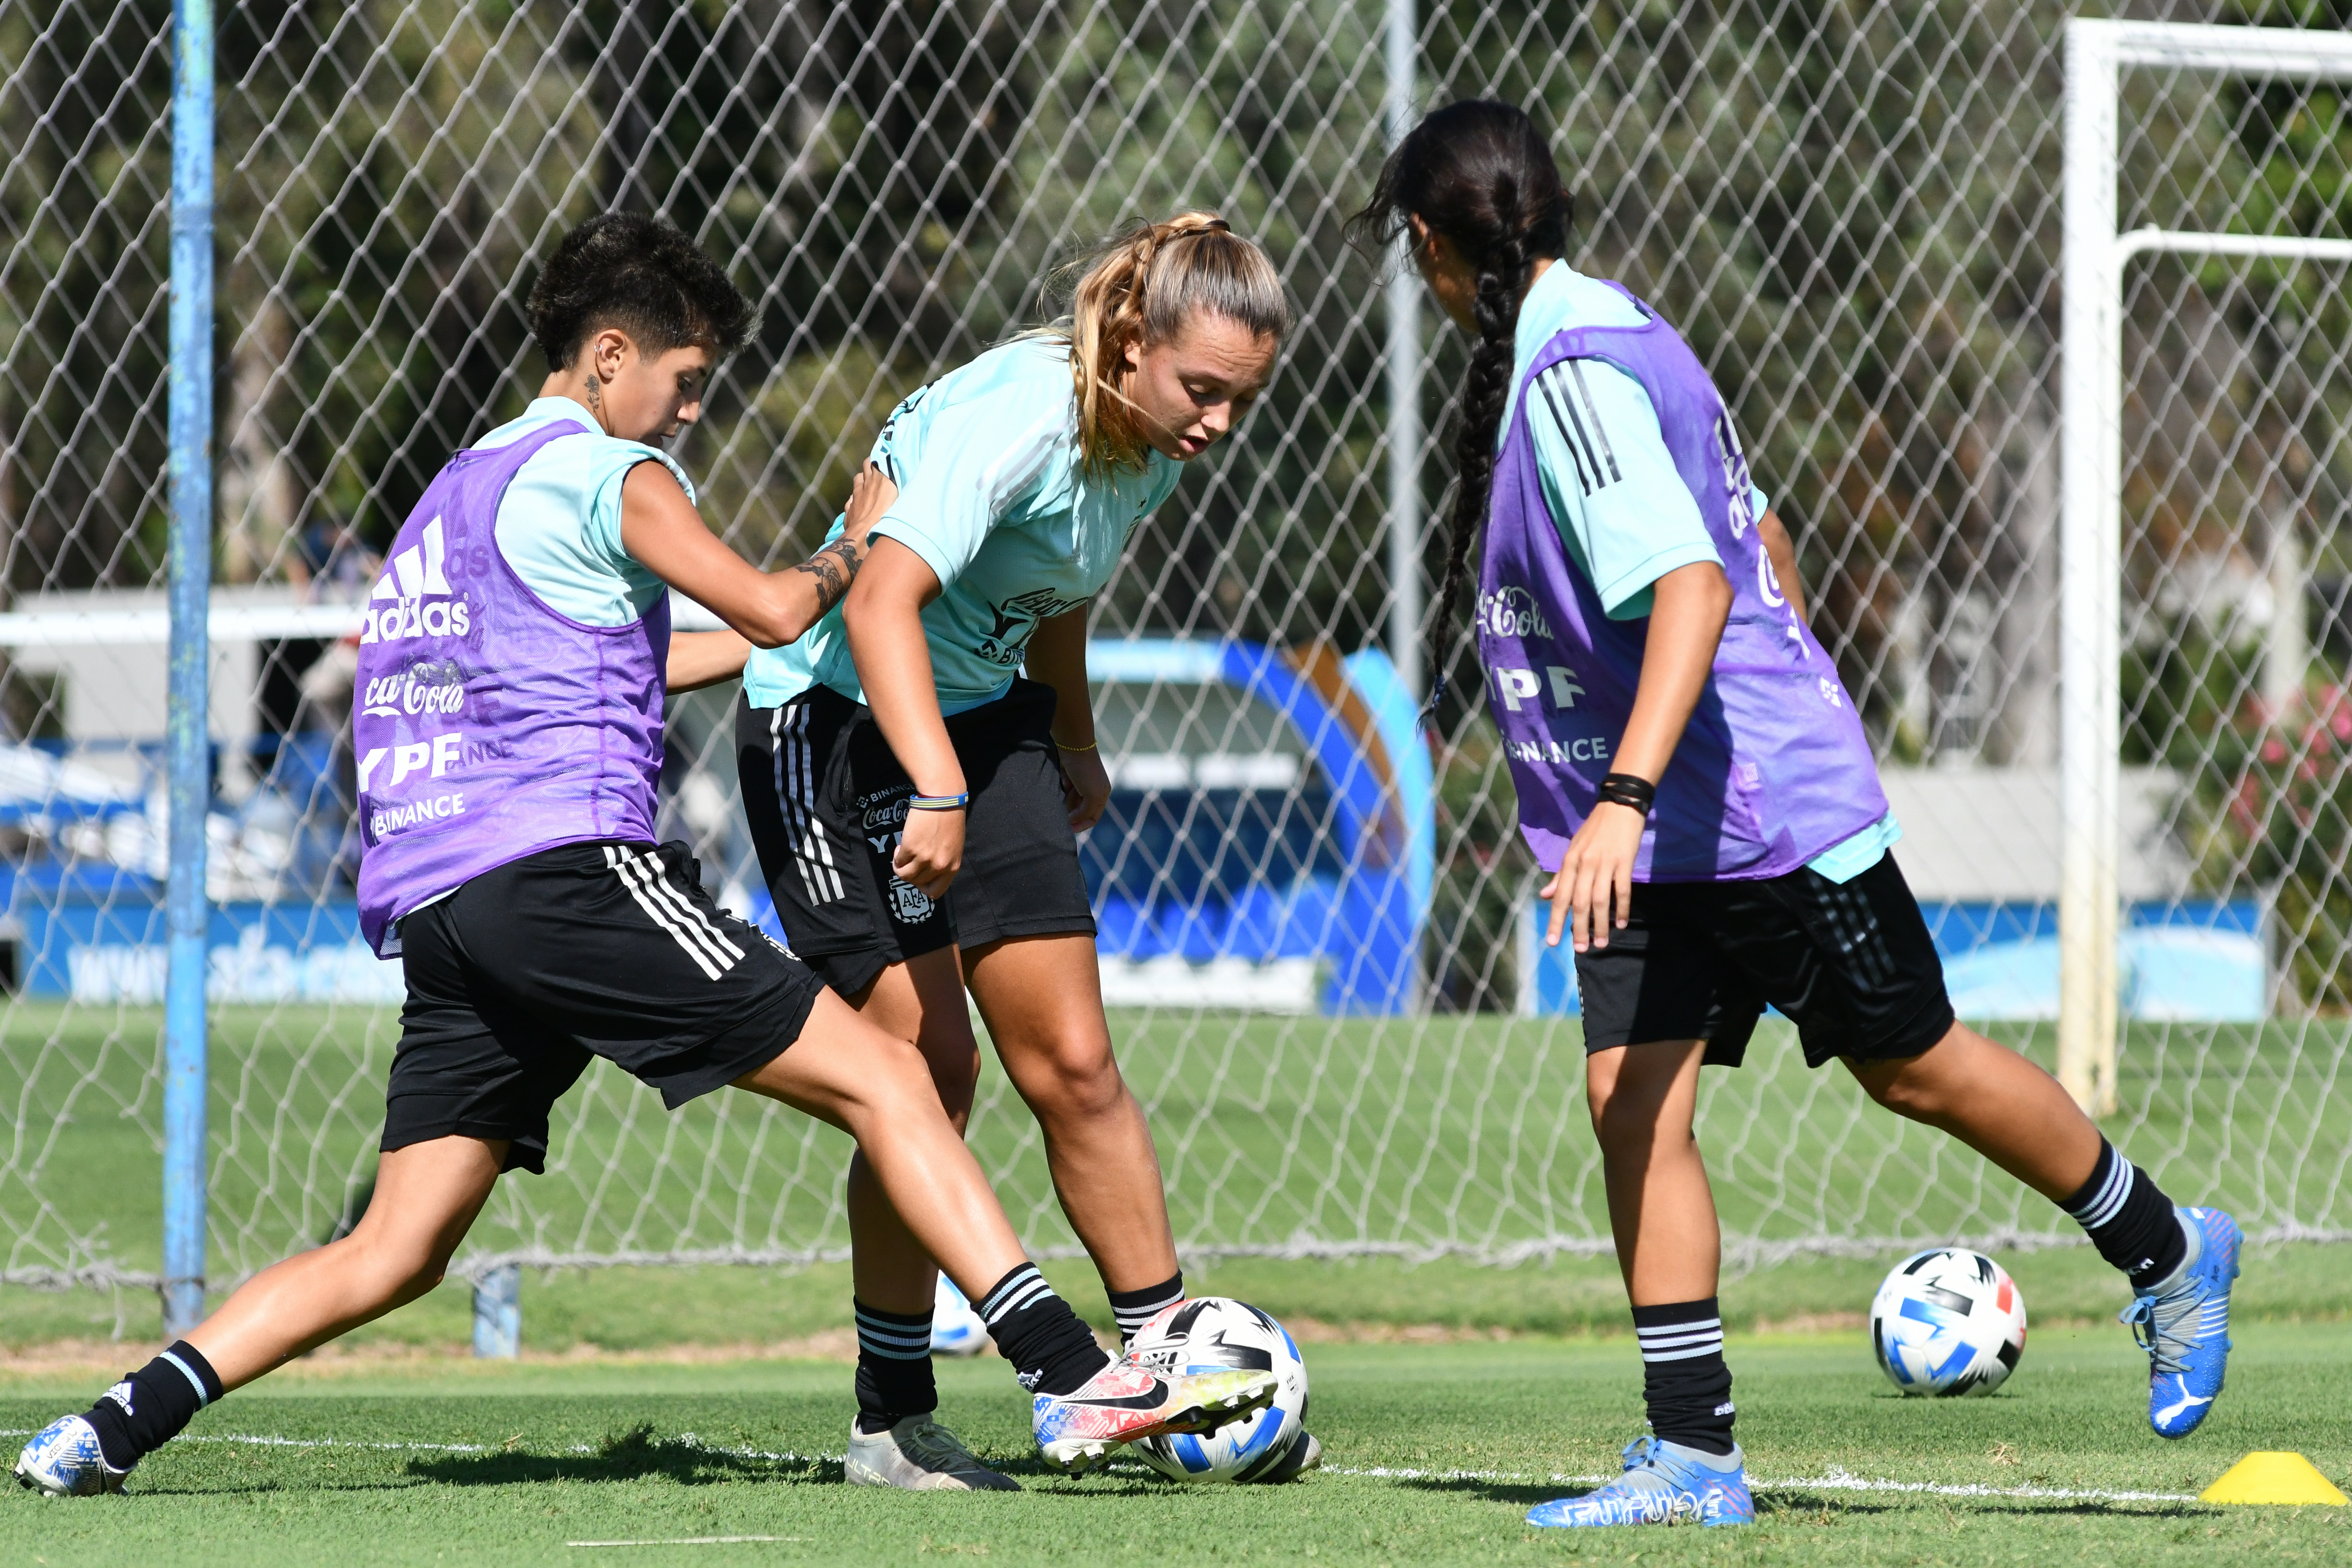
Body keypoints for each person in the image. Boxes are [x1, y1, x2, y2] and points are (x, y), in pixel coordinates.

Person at [14, 213, 1274, 1499]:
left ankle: (107, 1427)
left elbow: (644, 662)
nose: (687, 414)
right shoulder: (620, 476)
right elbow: (774, 606)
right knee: (894, 1077)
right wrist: (857, 544)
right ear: (611, 355)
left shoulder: (461, 490)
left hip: (445, 907)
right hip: (565, 877)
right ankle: (1068, 1375)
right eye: (684, 382)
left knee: (394, 1248)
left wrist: (798, 646)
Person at [1352, 101, 2241, 1531]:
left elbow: (1698, 581)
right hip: (1663, 822)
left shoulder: (1576, 372)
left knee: (1914, 1069)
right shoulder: (1604, 336)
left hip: (1744, 814)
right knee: (1631, 1103)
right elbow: (1755, 530)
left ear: (1427, 244)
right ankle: (1693, 1458)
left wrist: (1645, 785)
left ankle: (2169, 1249)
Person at [733, 212, 1315, 1489]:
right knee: (925, 1075)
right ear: (1132, 337)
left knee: (1075, 1063)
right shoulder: (1021, 417)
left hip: (986, 716)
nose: (1219, 423)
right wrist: (938, 787)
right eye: (1202, 389)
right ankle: (893, 1420)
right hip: (833, 722)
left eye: (1243, 399)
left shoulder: (1148, 441)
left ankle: (1167, 1379)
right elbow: (882, 602)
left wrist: (1075, 740)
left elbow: (1057, 591)